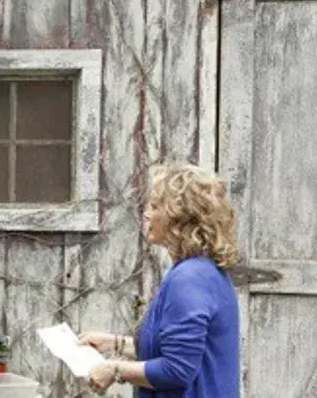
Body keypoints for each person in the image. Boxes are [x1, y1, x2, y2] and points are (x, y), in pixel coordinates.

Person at [79, 163, 241, 397]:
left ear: (180, 218)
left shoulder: (190, 278)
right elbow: (172, 348)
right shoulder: (203, 271)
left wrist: (114, 370)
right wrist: (112, 343)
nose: (146, 213)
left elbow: (177, 369)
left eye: (155, 206)